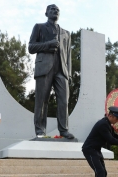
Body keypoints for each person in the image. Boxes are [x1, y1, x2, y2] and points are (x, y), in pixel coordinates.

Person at [28, 4, 74, 139]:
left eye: (57, 10)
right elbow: (31, 47)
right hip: (44, 69)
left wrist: (69, 73)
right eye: (52, 9)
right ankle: (40, 131)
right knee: (42, 101)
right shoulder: (39, 27)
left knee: (64, 102)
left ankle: (64, 130)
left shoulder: (66, 33)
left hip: (62, 71)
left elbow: (68, 55)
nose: (55, 11)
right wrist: (48, 45)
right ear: (46, 13)